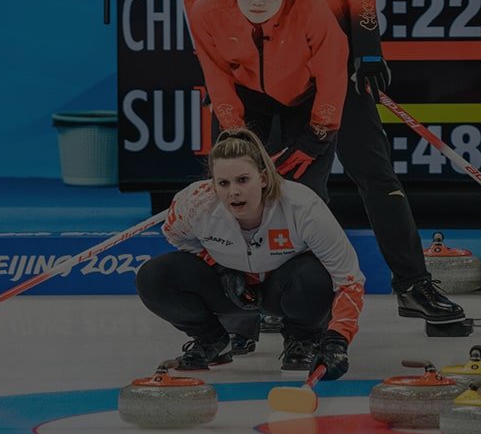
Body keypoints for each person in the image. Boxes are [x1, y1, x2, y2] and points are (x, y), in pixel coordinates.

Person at [182, 0, 465, 325]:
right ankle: (262, 299)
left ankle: (413, 284)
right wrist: (230, 108)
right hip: (255, 83)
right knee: (252, 187)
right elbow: (202, 10)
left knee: (375, 173)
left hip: (332, 64)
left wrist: (367, 42)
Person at [135, 127, 364, 377]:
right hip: (229, 291)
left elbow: (349, 280)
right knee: (154, 276)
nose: (233, 191)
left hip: (284, 290)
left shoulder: (303, 208)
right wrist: (218, 267)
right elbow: (175, 235)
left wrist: (337, 340)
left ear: (263, 178)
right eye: (223, 183)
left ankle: (303, 340)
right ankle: (212, 340)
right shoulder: (194, 204)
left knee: (314, 276)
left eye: (243, 180)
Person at [188, 0, 348, 204]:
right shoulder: (206, 12)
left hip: (303, 99)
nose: (257, 1)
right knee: (237, 189)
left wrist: (316, 138)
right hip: (244, 96)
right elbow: (217, 76)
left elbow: (332, 76)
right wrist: (235, 134)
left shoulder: (314, 11)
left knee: (305, 195)